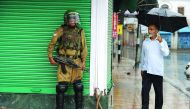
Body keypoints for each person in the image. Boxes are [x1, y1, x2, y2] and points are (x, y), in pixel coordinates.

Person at [47, 10, 87, 109]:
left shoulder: (80, 31)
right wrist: (50, 56)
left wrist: (83, 61)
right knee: (61, 87)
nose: (72, 20)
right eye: (70, 18)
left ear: (77, 19)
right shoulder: (60, 30)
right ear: (66, 19)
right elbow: (52, 43)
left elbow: (84, 47)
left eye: (74, 18)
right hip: (63, 61)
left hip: (76, 61)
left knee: (78, 86)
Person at [140, 24, 169, 109]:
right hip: (146, 71)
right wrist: (142, 68)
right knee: (144, 93)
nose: (150, 31)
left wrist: (161, 42)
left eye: (152, 29)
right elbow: (143, 56)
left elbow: (166, 53)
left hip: (157, 72)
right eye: (149, 29)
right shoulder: (145, 42)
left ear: (156, 31)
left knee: (159, 95)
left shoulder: (162, 42)